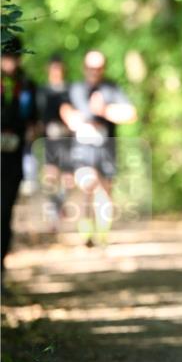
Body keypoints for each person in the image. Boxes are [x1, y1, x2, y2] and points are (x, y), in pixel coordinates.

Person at [59, 50, 137, 246]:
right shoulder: (75, 88)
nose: (94, 71)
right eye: (91, 67)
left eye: (99, 67)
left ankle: (102, 235)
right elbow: (64, 109)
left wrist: (104, 110)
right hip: (82, 149)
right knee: (87, 184)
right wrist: (74, 121)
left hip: (106, 149)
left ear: (104, 68)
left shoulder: (112, 89)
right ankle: (86, 234)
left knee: (104, 192)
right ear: (84, 68)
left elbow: (130, 114)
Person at [1, 37, 39, 278]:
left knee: (4, 213)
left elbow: (34, 122)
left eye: (14, 56)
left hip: (13, 159)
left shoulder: (26, 85)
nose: (10, 62)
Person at [36, 54, 73, 231]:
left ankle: (59, 206)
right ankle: (53, 215)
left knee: (67, 179)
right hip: (48, 140)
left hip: (67, 140)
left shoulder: (69, 89)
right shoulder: (42, 91)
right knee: (50, 177)